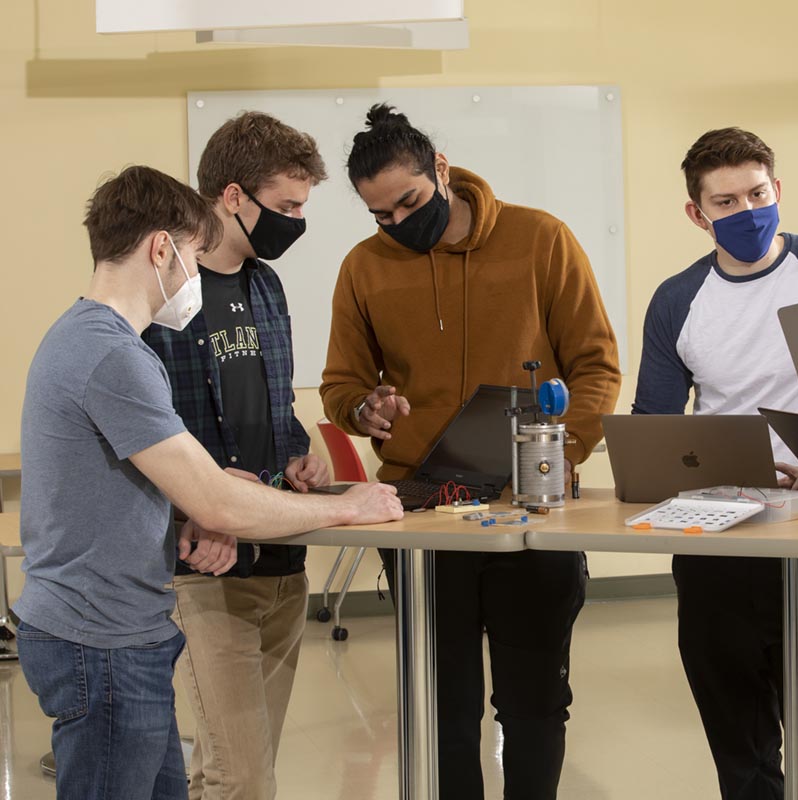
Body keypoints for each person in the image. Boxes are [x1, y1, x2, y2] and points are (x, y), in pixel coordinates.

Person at [15, 165, 404, 800]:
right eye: (195, 255)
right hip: (102, 640)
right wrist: (347, 508)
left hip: (118, 632)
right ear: (161, 249)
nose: (196, 274)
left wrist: (186, 514)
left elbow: (140, 487)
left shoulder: (91, 338)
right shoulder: (113, 353)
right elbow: (217, 496)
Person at [320, 104, 621, 799]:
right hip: (421, 511)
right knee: (442, 706)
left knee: (534, 702)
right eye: (379, 215)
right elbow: (342, 384)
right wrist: (365, 410)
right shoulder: (362, 268)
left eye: (409, 203)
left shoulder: (540, 239)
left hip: (531, 506)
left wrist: (563, 451)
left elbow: (596, 366)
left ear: (442, 171)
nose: (396, 223)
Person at [632, 127, 798, 800]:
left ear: (778, 190)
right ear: (697, 214)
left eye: (758, 193)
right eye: (726, 202)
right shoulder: (678, 299)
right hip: (718, 544)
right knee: (742, 757)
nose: (747, 211)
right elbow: (653, 428)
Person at [142, 112, 329, 800]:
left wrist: (300, 455)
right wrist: (199, 500)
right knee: (242, 779)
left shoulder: (266, 286)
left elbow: (272, 407)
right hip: (205, 570)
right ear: (231, 195)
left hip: (283, 561)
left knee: (234, 773)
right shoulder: (164, 294)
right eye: (286, 207)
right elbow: (144, 430)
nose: (297, 222)